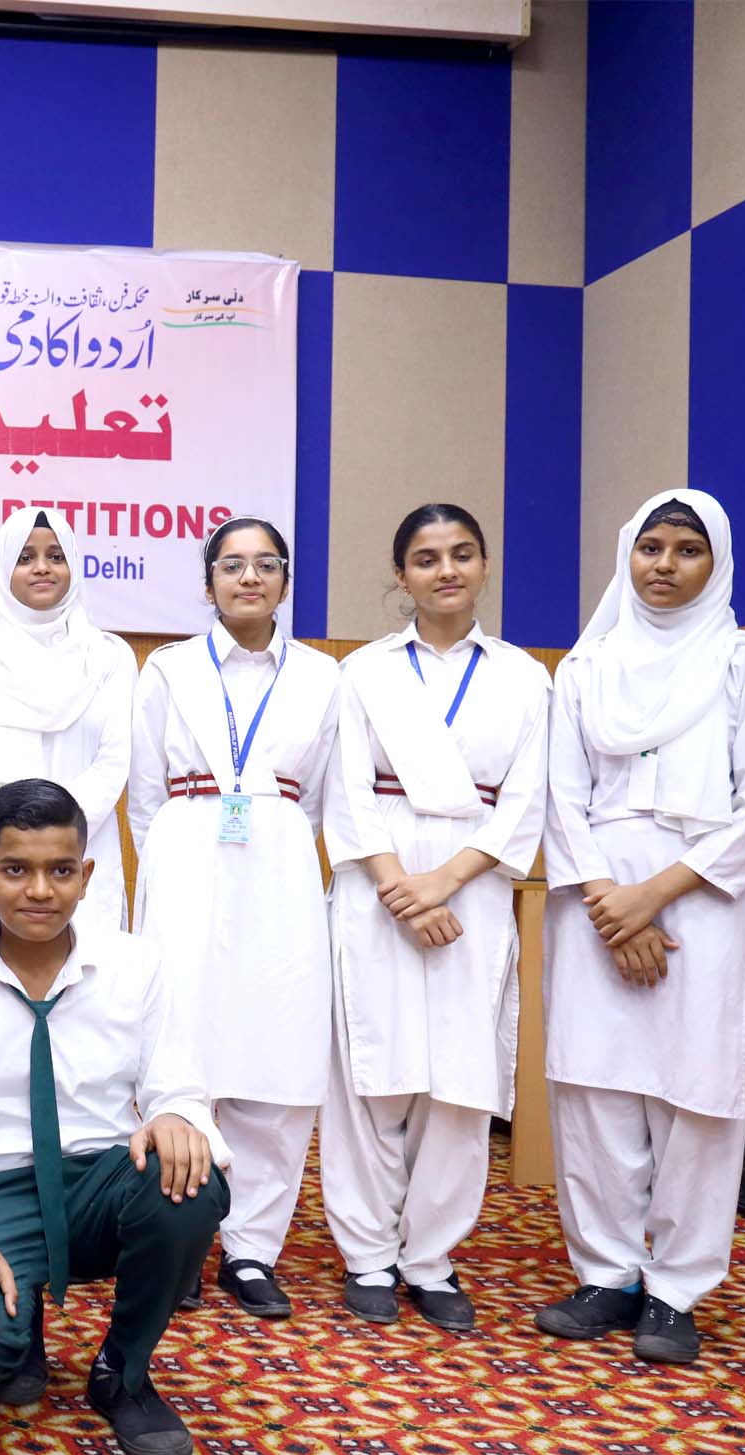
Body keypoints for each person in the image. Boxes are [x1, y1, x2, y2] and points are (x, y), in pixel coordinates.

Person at [535, 489, 745, 1364]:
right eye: (652, 547)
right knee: (595, 1090)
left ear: (716, 563)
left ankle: (676, 1291)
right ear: (628, 554)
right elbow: (560, 796)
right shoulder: (586, 668)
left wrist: (652, 897)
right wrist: (612, 899)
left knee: (696, 1098)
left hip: (705, 902)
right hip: (596, 895)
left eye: (688, 550)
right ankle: (607, 1274)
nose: (665, 565)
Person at [0, 778, 226, 1455]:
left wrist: (174, 1116)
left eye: (59, 871)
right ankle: (18, 1325)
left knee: (191, 1180)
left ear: (86, 874)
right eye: (15, 870)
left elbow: (177, 1084)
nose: (39, 891)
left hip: (101, 1182)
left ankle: (125, 1372)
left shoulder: (136, 964)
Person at [318, 505, 549, 1329]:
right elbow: (345, 791)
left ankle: (431, 1258)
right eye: (425, 558)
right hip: (376, 880)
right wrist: (397, 890)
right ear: (401, 574)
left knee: (459, 1076)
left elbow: (527, 801)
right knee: (370, 1071)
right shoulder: (363, 672)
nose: (445, 570)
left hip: (472, 882)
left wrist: (444, 883)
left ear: (484, 565)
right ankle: (368, 1256)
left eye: (461, 554)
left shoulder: (526, 677)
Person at [126, 516, 339, 1319]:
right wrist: (176, 856)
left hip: (280, 861)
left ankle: (251, 1251)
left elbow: (319, 799)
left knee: (277, 1053)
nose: (250, 577)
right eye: (232, 564)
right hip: (186, 852)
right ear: (208, 580)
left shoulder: (323, 676)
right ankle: (180, 1235)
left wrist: (272, 839)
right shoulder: (169, 669)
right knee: (181, 1042)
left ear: (285, 580)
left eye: (266, 564)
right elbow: (143, 793)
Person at [0, 508, 135, 937]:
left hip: (81, 858)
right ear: (2, 569)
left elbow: (112, 763)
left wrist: (57, 845)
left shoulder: (109, 658)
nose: (42, 568)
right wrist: (7, 849)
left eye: (56, 556)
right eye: (25, 557)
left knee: (88, 972)